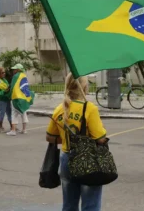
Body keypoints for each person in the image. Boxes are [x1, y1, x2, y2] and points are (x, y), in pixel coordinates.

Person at [46, 73, 107, 211]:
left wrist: (67, 137)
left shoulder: (60, 109)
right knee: (90, 205)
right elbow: (101, 138)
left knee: (69, 205)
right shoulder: (89, 108)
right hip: (87, 160)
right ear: (84, 86)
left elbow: (50, 137)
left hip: (66, 158)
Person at [7, 64, 34, 136]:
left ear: (18, 70)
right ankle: (24, 129)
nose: (13, 71)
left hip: (16, 97)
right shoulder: (24, 75)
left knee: (14, 114)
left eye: (15, 69)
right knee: (23, 112)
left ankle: (13, 130)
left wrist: (8, 95)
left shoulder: (15, 76)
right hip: (23, 97)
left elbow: (12, 87)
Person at [0, 67, 12, 133]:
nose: (4, 74)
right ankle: (1, 127)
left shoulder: (4, 80)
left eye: (4, 72)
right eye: (2, 73)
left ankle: (12, 126)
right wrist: (4, 92)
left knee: (9, 112)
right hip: (0, 99)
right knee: (2, 113)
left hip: (7, 98)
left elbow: (6, 87)